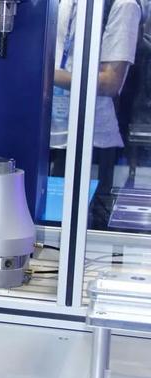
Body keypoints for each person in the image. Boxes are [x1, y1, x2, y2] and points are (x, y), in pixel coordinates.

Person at [50, 0, 142, 229]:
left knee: (83, 231)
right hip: (46, 136)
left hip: (91, 141)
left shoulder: (123, 5)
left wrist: (44, 73)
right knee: (42, 232)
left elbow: (110, 82)